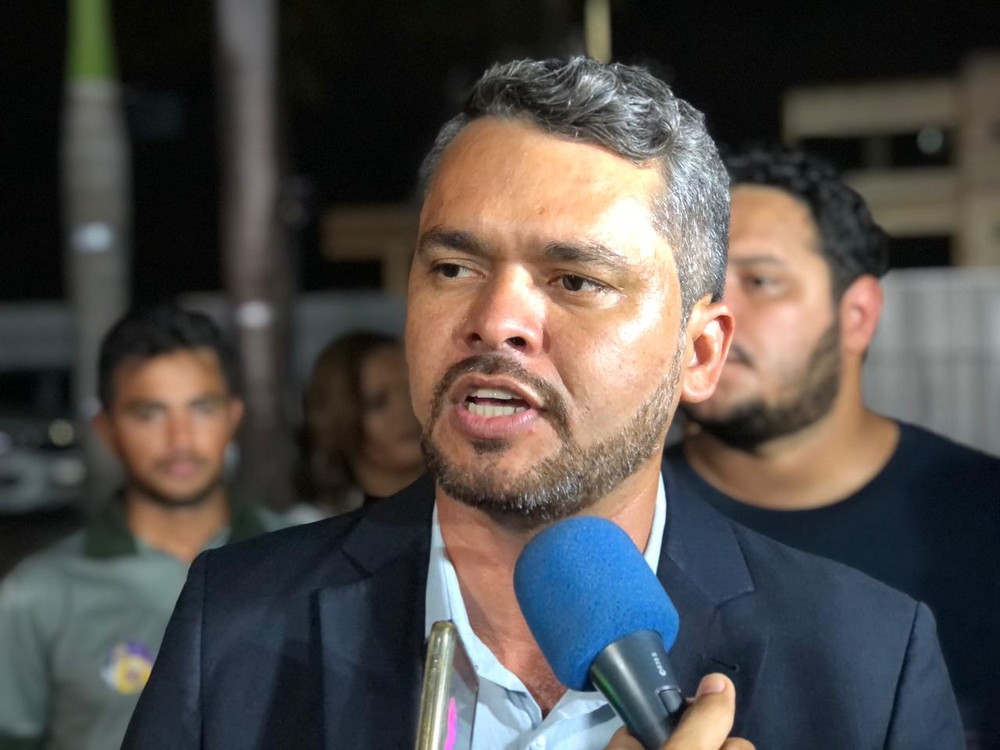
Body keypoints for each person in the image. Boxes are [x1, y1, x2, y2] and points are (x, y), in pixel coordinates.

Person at [123, 59, 963, 749]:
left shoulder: (867, 664)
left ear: (700, 353)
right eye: (454, 268)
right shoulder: (234, 623)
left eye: (575, 281)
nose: (496, 322)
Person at [667, 145, 1000, 746]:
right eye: (701, 282)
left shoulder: (981, 519)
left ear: (857, 315)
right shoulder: (612, 524)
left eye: (760, 281)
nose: (713, 313)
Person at [0, 306, 283, 750]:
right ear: (107, 428)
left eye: (201, 408)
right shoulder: (38, 594)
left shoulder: (302, 559)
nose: (180, 439)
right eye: (149, 413)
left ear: (233, 416)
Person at [295, 331, 422, 518]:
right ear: (340, 419)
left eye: (414, 391)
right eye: (378, 402)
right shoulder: (312, 525)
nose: (406, 410)